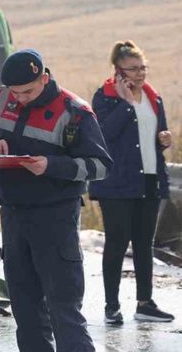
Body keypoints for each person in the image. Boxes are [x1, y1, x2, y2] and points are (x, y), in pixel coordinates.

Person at [0, 49, 111, 352]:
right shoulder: (0, 100)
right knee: (24, 308)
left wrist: (50, 166)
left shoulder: (74, 111)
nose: (20, 98)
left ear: (44, 78)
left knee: (64, 309)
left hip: (55, 218)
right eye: (15, 93)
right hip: (12, 215)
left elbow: (101, 165)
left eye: (28, 91)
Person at [89, 40, 174, 324]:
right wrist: (126, 106)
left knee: (143, 243)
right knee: (116, 242)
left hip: (149, 179)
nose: (140, 74)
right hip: (116, 183)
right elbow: (103, 136)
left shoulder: (153, 96)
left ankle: (145, 303)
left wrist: (163, 140)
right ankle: (111, 305)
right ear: (118, 69)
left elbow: (149, 138)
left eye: (143, 68)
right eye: (133, 69)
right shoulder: (104, 97)